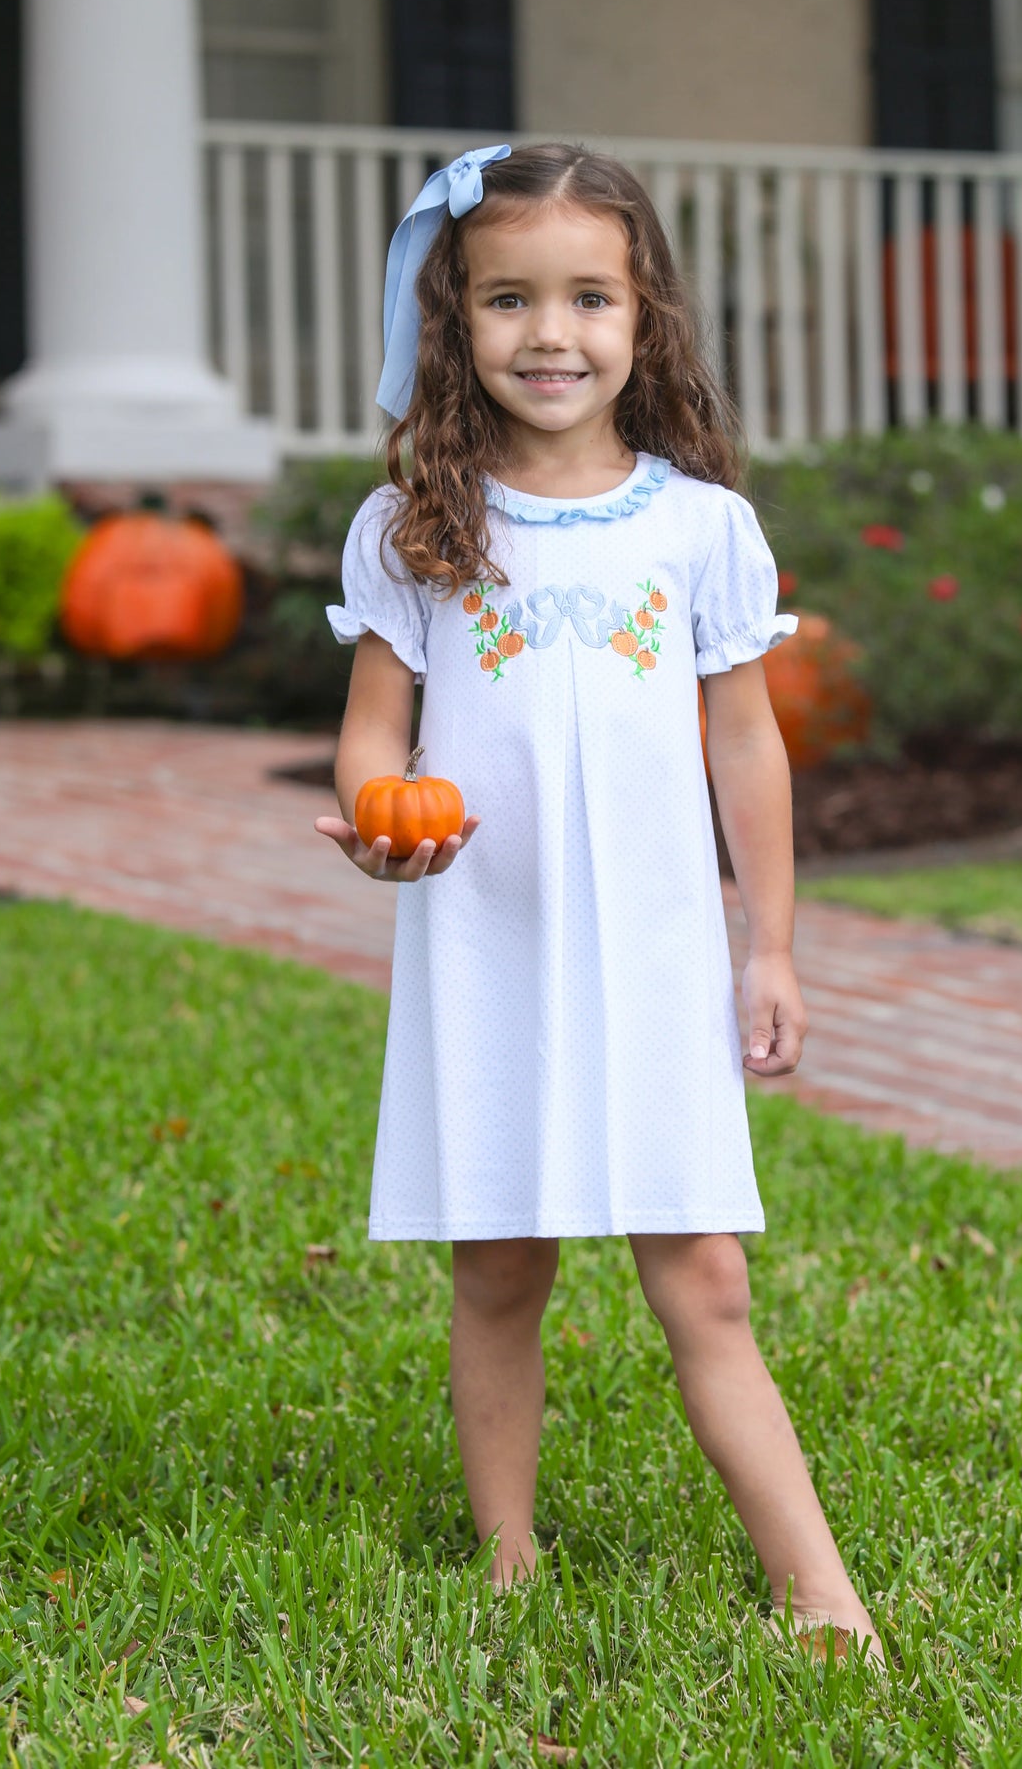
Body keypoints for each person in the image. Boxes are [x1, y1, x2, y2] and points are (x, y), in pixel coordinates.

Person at [316, 141, 881, 1665]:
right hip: (484, 931)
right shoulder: (417, 527)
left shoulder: (695, 527)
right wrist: (380, 819)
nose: (547, 334)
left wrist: (767, 944)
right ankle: (504, 1561)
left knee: (703, 1270)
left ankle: (818, 1593)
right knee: (500, 1255)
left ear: (646, 323)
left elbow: (745, 738)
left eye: (586, 298)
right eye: (507, 299)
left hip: (648, 945)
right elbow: (376, 730)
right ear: (455, 320)